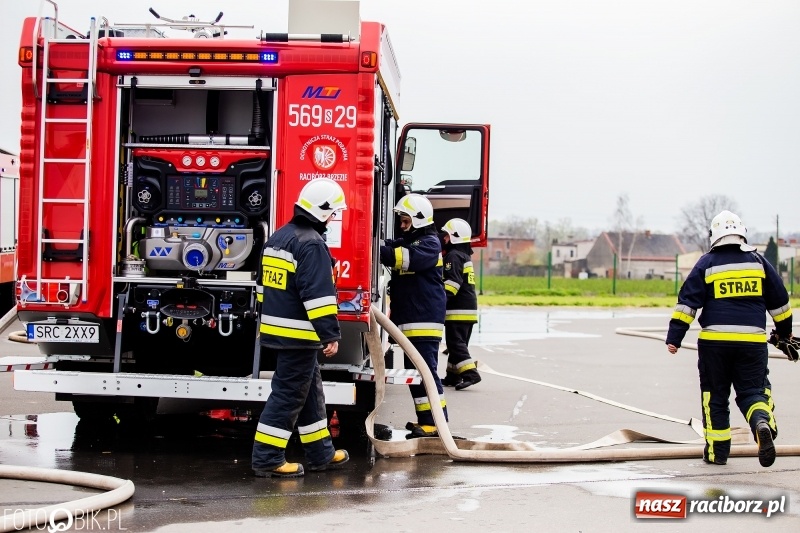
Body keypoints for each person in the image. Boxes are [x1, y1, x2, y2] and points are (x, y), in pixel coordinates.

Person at [666, 210, 793, 468]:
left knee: (715, 396)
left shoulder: (706, 263)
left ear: (714, 236)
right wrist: (784, 332)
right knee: (753, 392)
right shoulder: (758, 262)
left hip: (715, 344)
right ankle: (760, 423)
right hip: (752, 343)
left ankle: (717, 453)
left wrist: (675, 337)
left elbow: (687, 303)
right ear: (742, 234)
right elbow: (780, 302)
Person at [252, 178, 350, 478]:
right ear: (322, 211)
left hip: (279, 333)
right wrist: (330, 334)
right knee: (288, 396)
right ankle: (267, 458)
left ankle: (321, 453)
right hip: (300, 336)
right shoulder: (311, 244)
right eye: (333, 213)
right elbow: (318, 296)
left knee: (310, 394)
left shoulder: (278, 238)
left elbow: (261, 288)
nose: (334, 218)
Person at [380, 193, 448, 438]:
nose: (402, 225)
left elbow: (401, 257)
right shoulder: (413, 241)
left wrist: (376, 249)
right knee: (416, 373)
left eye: (406, 221)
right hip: (413, 320)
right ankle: (426, 422)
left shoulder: (430, 243)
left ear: (419, 219)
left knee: (426, 373)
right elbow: (393, 245)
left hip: (424, 320)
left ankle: (437, 424)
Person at [440, 218, 481, 390]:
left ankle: (471, 374)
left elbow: (452, 284)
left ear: (454, 237)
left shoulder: (453, 256)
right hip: (468, 309)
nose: (444, 239)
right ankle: (452, 376)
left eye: (447, 236)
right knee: (457, 343)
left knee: (455, 344)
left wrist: (440, 300)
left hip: (457, 310)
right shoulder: (464, 256)